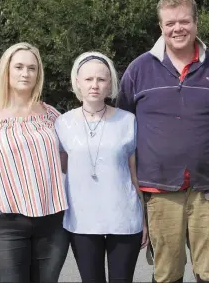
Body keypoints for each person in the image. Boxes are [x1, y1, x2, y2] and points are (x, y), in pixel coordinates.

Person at [116, 0, 209, 283]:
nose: (177, 28)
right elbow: (124, 127)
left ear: (196, 23)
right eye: (170, 23)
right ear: (161, 27)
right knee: (166, 274)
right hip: (159, 192)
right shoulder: (139, 69)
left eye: (184, 21)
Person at [0, 42, 69, 282]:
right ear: (6, 71)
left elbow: (68, 164)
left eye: (32, 68)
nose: (25, 73)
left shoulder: (52, 116)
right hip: (5, 224)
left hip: (53, 223)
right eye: (19, 67)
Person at [55, 51, 148, 283]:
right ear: (77, 82)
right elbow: (60, 170)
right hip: (81, 220)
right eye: (88, 79)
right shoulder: (62, 123)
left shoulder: (128, 121)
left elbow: (135, 173)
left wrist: (145, 218)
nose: (94, 85)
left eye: (101, 79)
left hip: (124, 218)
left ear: (110, 84)